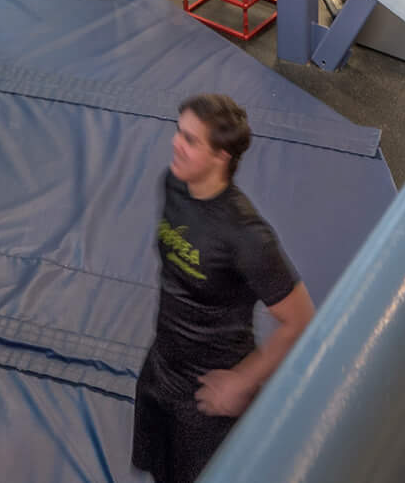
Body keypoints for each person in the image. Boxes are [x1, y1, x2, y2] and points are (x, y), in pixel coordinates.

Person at [133, 94, 315, 483]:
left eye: (190, 140)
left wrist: (242, 381)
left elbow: (301, 320)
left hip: (208, 393)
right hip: (161, 366)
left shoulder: (247, 236)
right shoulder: (173, 184)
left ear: (221, 157)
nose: (175, 144)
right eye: (178, 132)